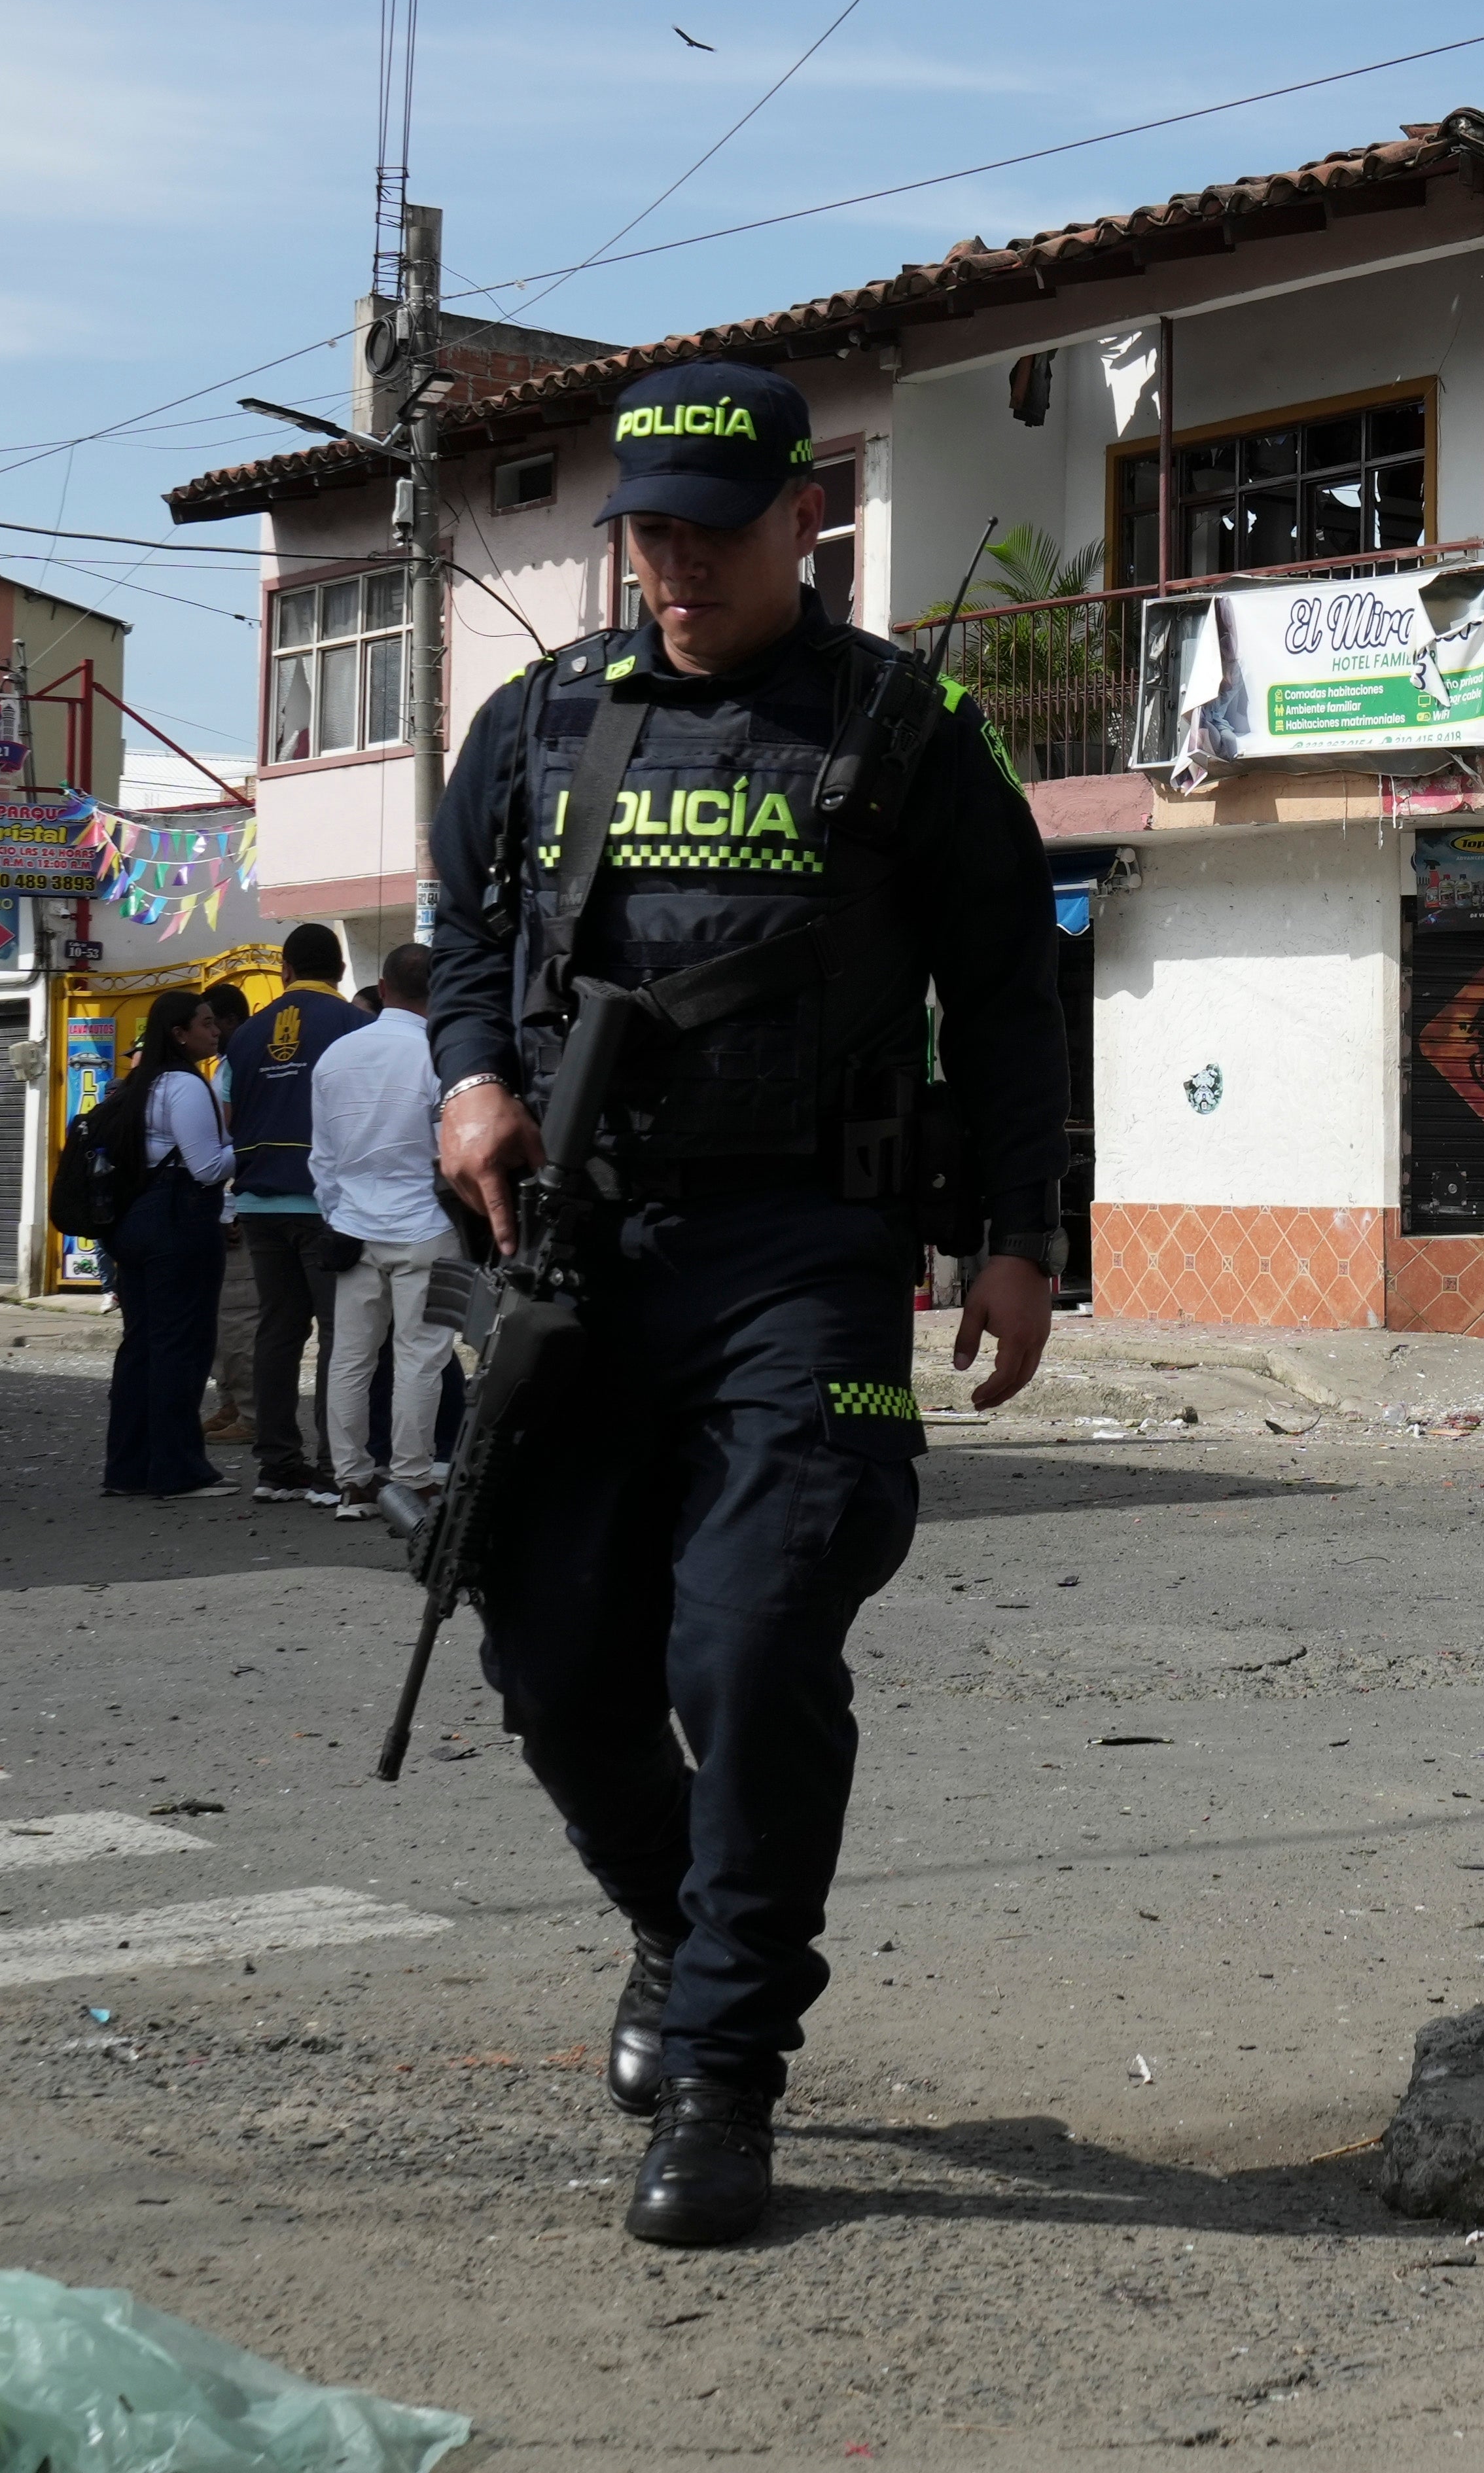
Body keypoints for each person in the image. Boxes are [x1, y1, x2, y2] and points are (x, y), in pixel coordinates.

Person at [425, 357, 1067, 2247]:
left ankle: (723, 2075)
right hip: (582, 1258)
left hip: (809, 1252)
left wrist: (1022, 1232)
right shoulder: (536, 723)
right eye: (646, 537)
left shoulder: (907, 728)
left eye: (714, 534)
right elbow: (465, 936)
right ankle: (674, 1921)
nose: (676, 572)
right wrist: (472, 1071)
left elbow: (1011, 996)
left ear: (809, 519)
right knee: (548, 1665)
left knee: (758, 1639)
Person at [311, 942, 452, 1525]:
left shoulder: (335, 1058)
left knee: (350, 1357)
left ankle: (353, 1483)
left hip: (353, 1227)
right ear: (437, 993)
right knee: (420, 1357)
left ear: (383, 987)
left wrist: (336, 1214)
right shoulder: (439, 1056)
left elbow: (322, 1156)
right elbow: (451, 1150)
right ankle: (414, 1479)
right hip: (426, 1224)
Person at [226, 926, 363, 1499]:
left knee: (278, 1332)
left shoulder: (246, 1034)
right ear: (338, 969)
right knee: (338, 1334)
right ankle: (335, 1467)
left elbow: (231, 1119)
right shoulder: (357, 1026)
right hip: (326, 1204)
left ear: (285, 970)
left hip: (259, 1201)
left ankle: (278, 1465)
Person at [103, 989, 236, 1497]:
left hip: (135, 1224)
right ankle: (179, 1471)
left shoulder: (143, 1083)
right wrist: (252, 1153)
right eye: (204, 1023)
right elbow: (206, 1168)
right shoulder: (184, 1085)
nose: (214, 1030)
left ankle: (128, 1468)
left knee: (141, 1347)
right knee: (180, 1348)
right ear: (179, 1033)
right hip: (178, 1226)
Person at [196, 976, 261, 1443]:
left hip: (238, 1201)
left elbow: (230, 1136)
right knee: (223, 1314)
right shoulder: (229, 1064)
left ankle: (251, 1413)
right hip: (229, 1200)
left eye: (210, 1023)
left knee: (238, 1315)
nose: (207, 1032)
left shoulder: (240, 1062)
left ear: (230, 1022)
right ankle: (231, 1401)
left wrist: (230, 1207)